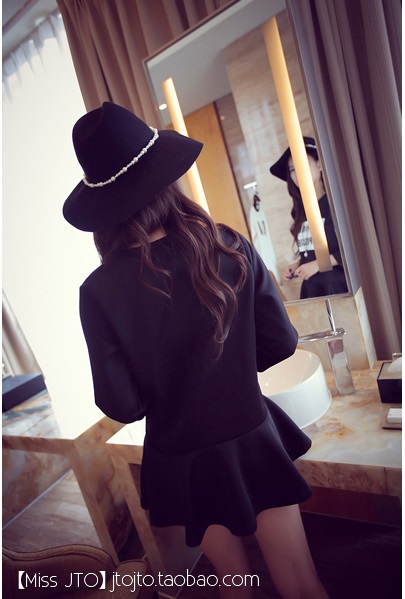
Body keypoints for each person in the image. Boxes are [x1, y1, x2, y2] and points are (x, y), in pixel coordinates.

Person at [63, 102, 330, 599]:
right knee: (300, 583)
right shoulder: (228, 245)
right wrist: (228, 370)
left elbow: (122, 404)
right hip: (251, 439)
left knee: (234, 588)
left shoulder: (98, 292)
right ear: (164, 179)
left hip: (183, 461)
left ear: (102, 206)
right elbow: (281, 343)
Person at [270, 137, 348, 299]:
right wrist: (299, 263)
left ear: (319, 164)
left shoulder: (337, 204)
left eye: (303, 163)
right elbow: (316, 249)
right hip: (313, 291)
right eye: (292, 169)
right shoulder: (302, 211)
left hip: (338, 290)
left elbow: (353, 248)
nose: (298, 172)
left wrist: (318, 264)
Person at [248, 192, 280, 282]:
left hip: (265, 245)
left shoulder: (256, 210)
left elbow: (254, 236)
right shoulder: (253, 211)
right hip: (265, 244)